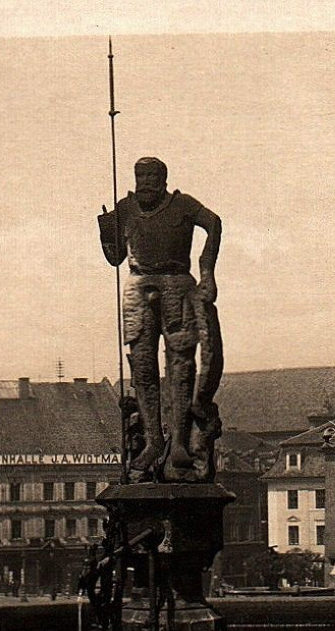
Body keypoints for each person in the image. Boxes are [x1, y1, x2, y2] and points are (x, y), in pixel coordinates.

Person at [99, 157, 222, 481]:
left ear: (164, 179)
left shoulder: (182, 205)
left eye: (153, 175)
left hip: (177, 282)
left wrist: (206, 270)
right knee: (141, 364)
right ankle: (153, 441)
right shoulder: (127, 207)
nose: (146, 181)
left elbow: (213, 222)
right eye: (141, 175)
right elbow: (116, 258)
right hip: (138, 285)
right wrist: (106, 227)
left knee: (181, 363)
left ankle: (179, 441)